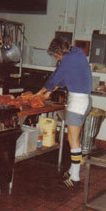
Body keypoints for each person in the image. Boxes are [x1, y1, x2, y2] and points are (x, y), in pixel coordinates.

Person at [36, 37, 92, 188]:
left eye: (56, 56)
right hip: (84, 101)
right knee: (76, 140)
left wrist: (41, 91)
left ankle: (75, 178)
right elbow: (62, 79)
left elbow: (55, 78)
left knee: (72, 141)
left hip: (77, 102)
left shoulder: (67, 59)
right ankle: (73, 170)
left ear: (59, 52)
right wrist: (47, 92)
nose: (57, 58)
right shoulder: (77, 53)